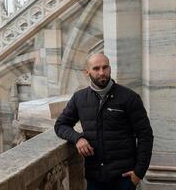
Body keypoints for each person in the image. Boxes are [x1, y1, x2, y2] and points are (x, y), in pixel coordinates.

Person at [54, 53, 154, 190]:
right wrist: (77, 139)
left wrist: (139, 172)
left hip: (124, 179)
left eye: (105, 67)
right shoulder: (79, 98)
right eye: (96, 68)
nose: (102, 72)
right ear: (87, 72)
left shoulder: (129, 97)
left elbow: (145, 135)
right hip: (95, 179)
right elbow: (60, 125)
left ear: (110, 68)